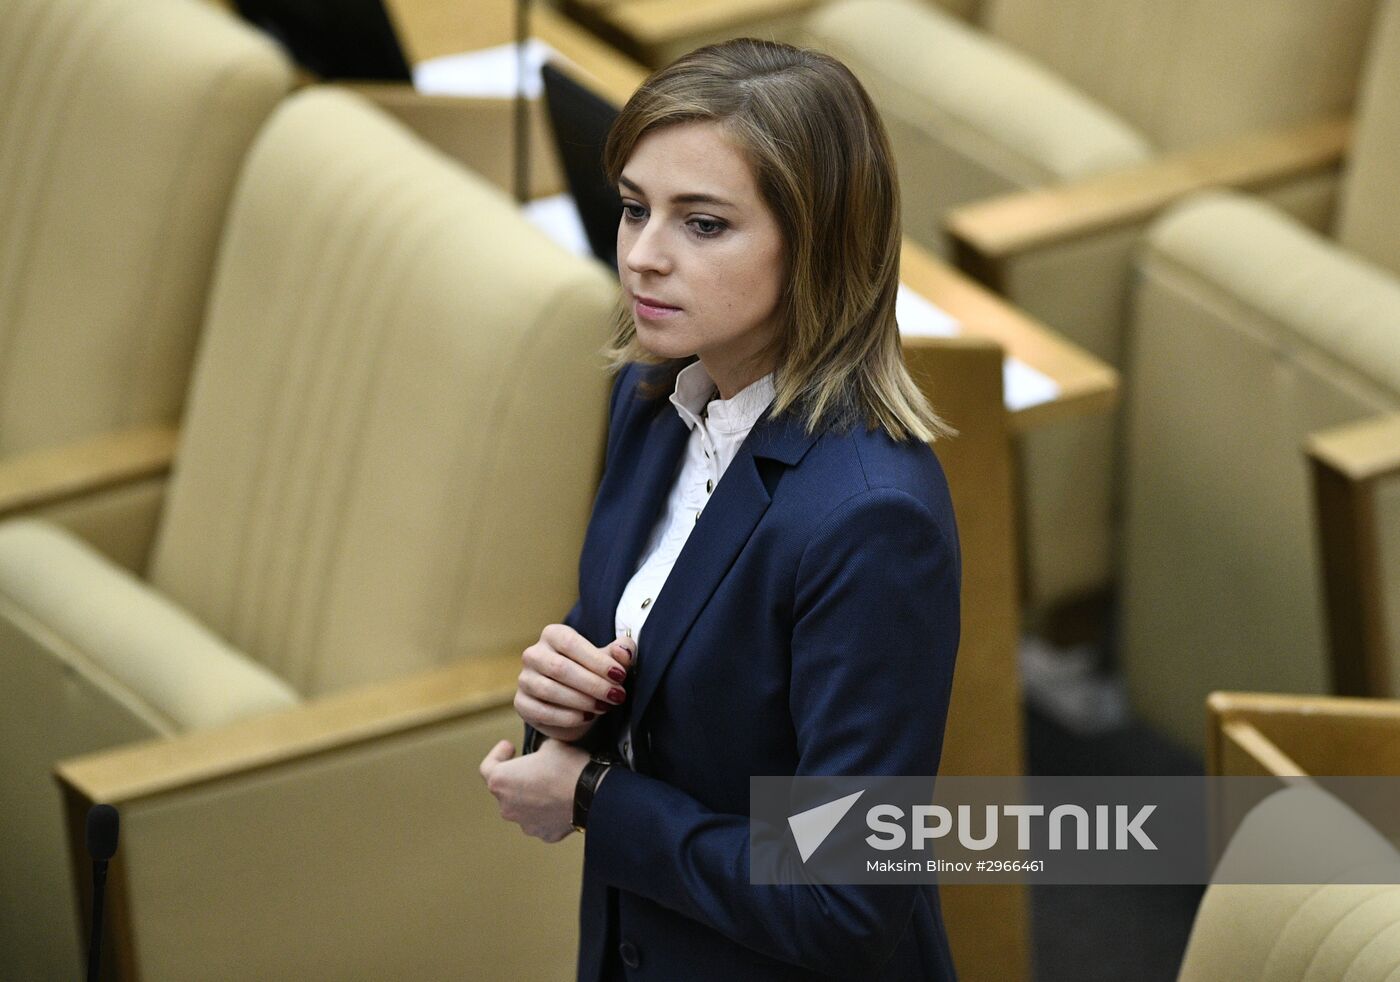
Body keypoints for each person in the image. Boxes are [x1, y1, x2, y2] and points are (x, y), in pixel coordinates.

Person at [479, 37, 961, 981]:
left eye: (703, 225)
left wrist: (592, 798)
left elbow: (844, 901)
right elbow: (632, 664)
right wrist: (560, 707)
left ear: (818, 243)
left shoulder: (872, 521)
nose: (643, 257)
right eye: (632, 209)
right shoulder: (654, 398)